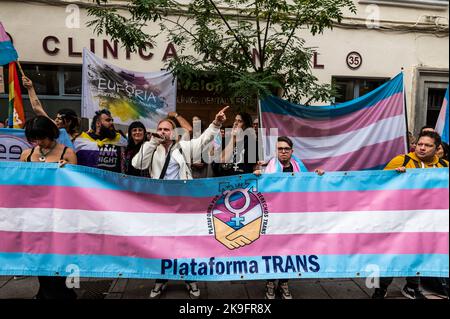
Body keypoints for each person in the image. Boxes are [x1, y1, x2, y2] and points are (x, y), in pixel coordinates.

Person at [132, 106, 229, 299]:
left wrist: (216, 123)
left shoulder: (183, 148)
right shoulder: (150, 147)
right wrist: (152, 143)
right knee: (161, 244)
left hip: (182, 204)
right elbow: (138, 164)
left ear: (173, 132)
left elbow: (204, 140)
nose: (162, 132)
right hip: (159, 205)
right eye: (160, 129)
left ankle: (189, 278)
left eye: (166, 129)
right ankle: (161, 280)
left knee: (185, 242)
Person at [372, 131, 449, 299]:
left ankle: (412, 286)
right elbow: (379, 184)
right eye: (420, 144)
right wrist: (394, 177)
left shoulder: (444, 166)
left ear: (437, 149)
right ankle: (380, 288)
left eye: (428, 145)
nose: (422, 148)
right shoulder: (401, 160)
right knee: (391, 254)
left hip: (427, 221)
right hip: (399, 219)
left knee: (419, 253)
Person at [254, 136, 324, 299]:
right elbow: (259, 188)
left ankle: (284, 283)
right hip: (273, 217)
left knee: (290, 250)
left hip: (292, 217)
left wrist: (317, 175)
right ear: (276, 151)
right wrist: (256, 175)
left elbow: (308, 184)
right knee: (271, 250)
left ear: (292, 151)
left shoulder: (299, 167)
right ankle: (270, 283)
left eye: (286, 149)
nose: (283, 152)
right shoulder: (267, 168)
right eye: (280, 149)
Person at [19, 116, 77, 299]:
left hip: (60, 217)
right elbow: (20, 185)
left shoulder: (67, 154)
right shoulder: (26, 155)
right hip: (35, 217)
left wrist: (67, 172)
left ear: (51, 134)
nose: (39, 143)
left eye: (42, 138)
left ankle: (63, 292)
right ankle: (45, 291)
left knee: (60, 257)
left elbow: (76, 188)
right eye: (35, 139)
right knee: (40, 257)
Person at [22, 76, 81, 142]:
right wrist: (30, 88)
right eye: (56, 117)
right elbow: (37, 108)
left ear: (69, 122)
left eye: (60, 119)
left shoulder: (80, 138)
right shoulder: (54, 129)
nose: (56, 120)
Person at [213, 112, 258, 176]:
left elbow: (251, 167)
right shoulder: (225, 140)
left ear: (246, 125)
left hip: (242, 181)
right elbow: (221, 160)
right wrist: (233, 138)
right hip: (224, 180)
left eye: (239, 121)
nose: (235, 123)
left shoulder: (250, 143)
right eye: (235, 120)